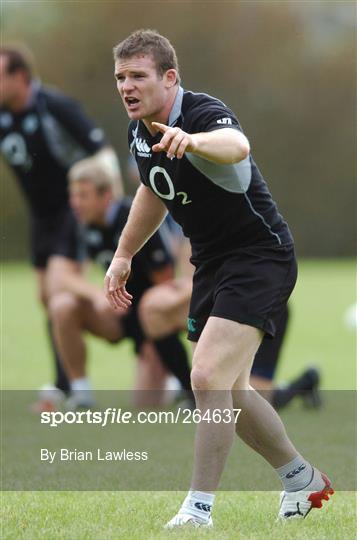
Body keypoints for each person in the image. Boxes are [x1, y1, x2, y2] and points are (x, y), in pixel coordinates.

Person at [104, 30, 334, 526]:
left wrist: (194, 140)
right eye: (121, 77)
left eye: (137, 76)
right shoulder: (141, 131)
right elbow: (153, 188)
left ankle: (198, 510)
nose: (127, 86)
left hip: (260, 256)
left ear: (169, 78)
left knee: (206, 375)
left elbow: (236, 145)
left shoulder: (203, 113)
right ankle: (302, 480)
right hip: (211, 264)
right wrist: (123, 254)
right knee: (230, 391)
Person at [0, 46, 120, 405]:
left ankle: (68, 382)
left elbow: (103, 153)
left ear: (20, 77)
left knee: (58, 289)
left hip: (72, 210)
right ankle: (74, 371)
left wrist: (107, 206)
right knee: (46, 298)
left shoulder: (56, 107)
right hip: (40, 217)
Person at [48, 154, 192, 408]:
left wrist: (149, 342)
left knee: (145, 405)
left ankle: (180, 385)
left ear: (106, 196)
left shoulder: (134, 217)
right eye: (73, 195)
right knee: (62, 305)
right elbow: (59, 276)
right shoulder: (78, 221)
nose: (75, 203)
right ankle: (81, 394)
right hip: (117, 314)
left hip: (150, 316)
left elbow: (164, 281)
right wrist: (96, 296)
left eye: (83, 195)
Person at [140, 280, 321, 409]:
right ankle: (191, 394)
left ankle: (305, 382)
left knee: (250, 403)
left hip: (260, 306)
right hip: (219, 301)